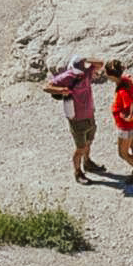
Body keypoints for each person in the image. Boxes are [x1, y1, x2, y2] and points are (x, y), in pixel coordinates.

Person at [45, 55, 106, 184]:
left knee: (89, 142)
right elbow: (47, 87)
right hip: (77, 119)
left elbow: (100, 63)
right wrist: (61, 90)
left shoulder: (86, 72)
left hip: (90, 115)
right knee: (80, 148)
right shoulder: (67, 76)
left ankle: (88, 162)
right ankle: (78, 173)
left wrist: (86, 59)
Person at [104, 59, 133, 189]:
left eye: (106, 73)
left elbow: (132, 106)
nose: (105, 75)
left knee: (123, 153)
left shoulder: (122, 91)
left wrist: (128, 118)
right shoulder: (126, 80)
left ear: (112, 75)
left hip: (126, 127)